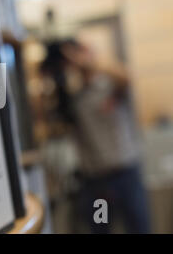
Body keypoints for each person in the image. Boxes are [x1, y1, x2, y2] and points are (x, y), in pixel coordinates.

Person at [41, 39, 151, 234]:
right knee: (100, 229)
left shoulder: (112, 84)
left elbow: (127, 76)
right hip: (96, 182)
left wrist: (87, 60)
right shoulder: (75, 97)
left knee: (139, 228)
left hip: (125, 174)